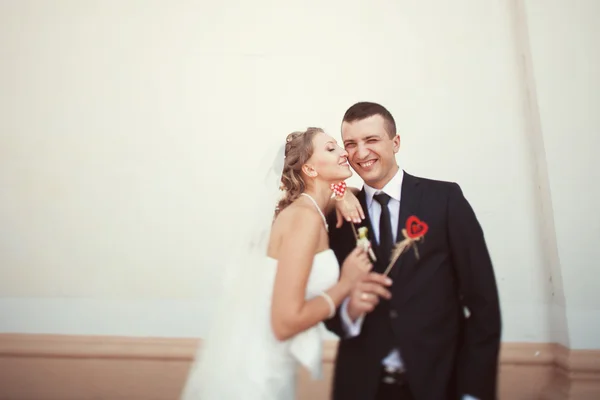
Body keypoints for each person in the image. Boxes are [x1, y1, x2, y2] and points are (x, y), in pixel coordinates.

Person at [325, 102, 502, 400]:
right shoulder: (340, 218)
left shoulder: (445, 200)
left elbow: (483, 302)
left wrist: (473, 392)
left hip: (439, 383)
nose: (361, 153)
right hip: (361, 386)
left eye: (371, 140)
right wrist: (349, 310)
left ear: (395, 142)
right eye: (350, 144)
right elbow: (328, 307)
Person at [179, 127, 372, 400]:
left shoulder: (312, 209)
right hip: (255, 376)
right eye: (331, 149)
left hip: (275, 368)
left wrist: (342, 193)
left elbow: (337, 195)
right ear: (310, 170)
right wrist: (346, 284)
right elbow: (284, 323)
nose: (344, 153)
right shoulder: (304, 219)